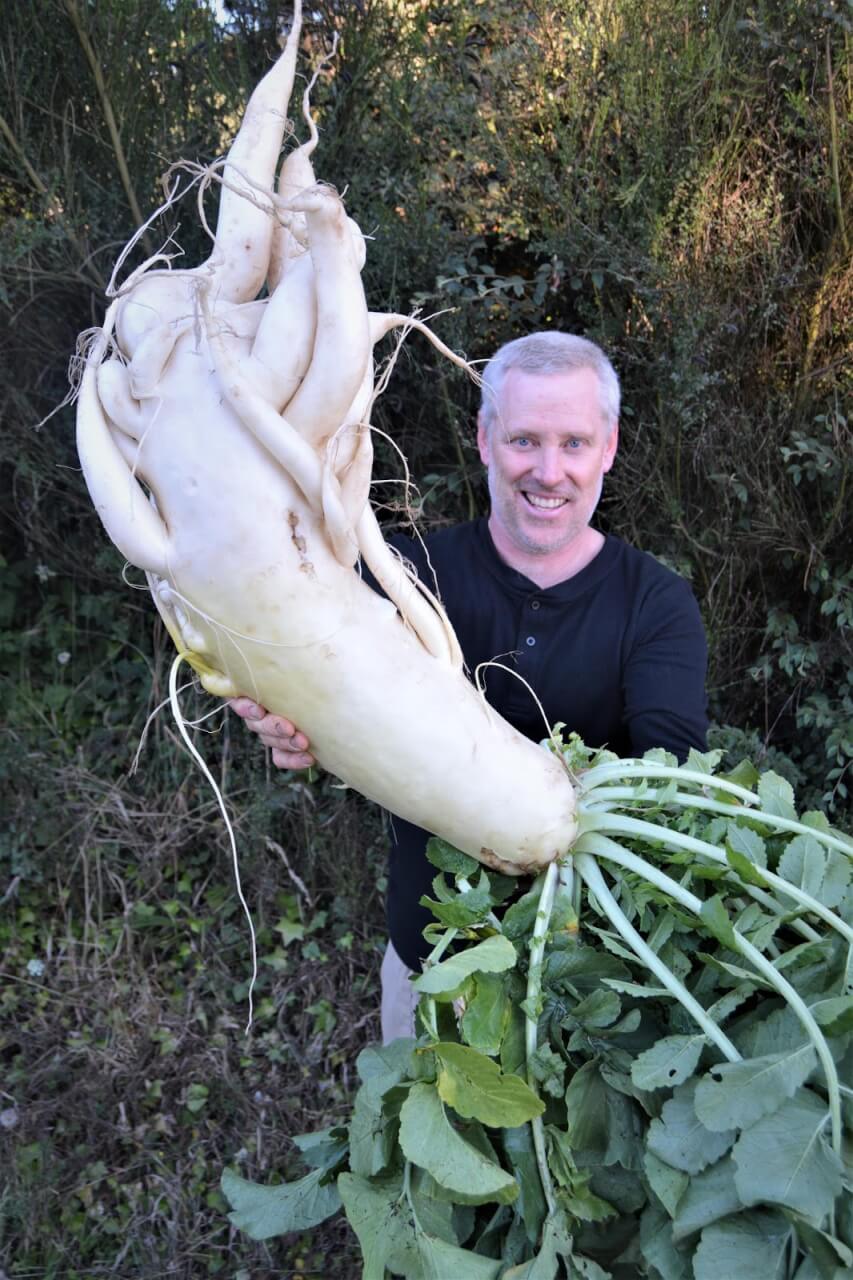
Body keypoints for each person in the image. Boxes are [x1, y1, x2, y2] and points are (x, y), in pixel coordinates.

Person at [231, 332, 708, 1040]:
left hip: (589, 992)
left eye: (573, 443)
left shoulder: (655, 602)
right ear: (484, 440)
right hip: (431, 970)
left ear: (607, 448)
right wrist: (301, 731)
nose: (548, 471)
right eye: (524, 440)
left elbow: (666, 781)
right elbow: (350, 719)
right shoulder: (398, 576)